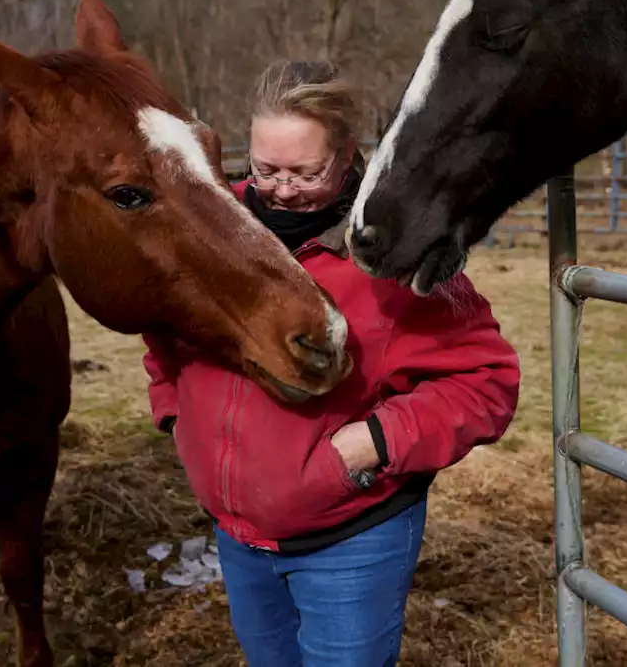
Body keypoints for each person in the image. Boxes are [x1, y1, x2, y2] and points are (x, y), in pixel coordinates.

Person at [142, 60, 521, 667]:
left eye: (305, 171)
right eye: (266, 169)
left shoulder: (393, 252)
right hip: (237, 536)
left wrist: (371, 441)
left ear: (346, 156)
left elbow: (486, 382)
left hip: (351, 540)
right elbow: (165, 334)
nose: (283, 189)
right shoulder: (212, 230)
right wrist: (177, 415)